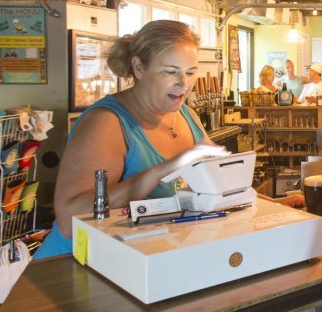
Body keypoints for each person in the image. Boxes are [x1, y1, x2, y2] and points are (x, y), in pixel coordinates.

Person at [38, 21, 301, 258]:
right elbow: (69, 220)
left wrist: (276, 207)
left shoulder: (186, 114)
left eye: (190, 72)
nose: (184, 83)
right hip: (76, 267)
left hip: (142, 260)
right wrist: (167, 168)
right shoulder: (106, 123)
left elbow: (214, 191)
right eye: (170, 72)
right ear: (139, 67)